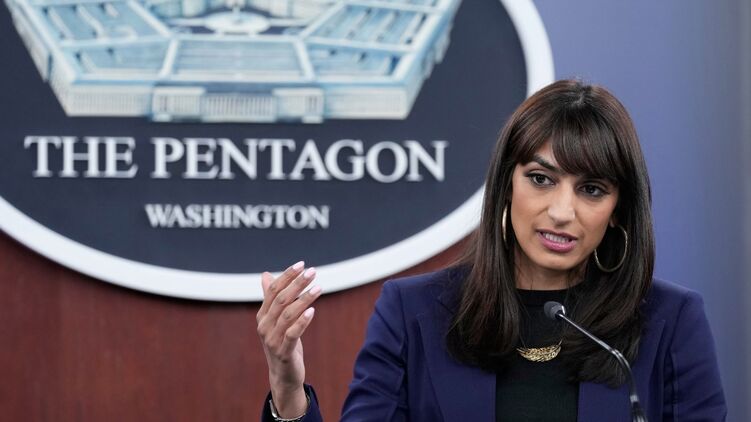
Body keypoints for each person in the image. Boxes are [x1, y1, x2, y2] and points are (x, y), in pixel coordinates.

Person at [255, 80, 727, 421]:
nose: (562, 211)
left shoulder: (671, 322)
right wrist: (288, 389)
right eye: (540, 179)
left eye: (591, 189)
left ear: (618, 210)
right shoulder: (414, 313)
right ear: (506, 186)